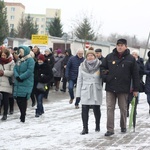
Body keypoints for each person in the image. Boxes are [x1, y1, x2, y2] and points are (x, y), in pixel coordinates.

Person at [100, 39, 140, 136]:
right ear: (116, 46)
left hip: (123, 88)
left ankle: (123, 126)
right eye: (118, 45)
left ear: (126, 46)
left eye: (122, 45)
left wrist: (136, 89)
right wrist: (107, 77)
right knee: (110, 108)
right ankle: (110, 129)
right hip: (110, 87)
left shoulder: (131, 59)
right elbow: (102, 69)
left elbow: (135, 75)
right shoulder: (109, 57)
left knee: (123, 108)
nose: (120, 47)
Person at [76, 50, 102, 135]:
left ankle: (97, 125)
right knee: (84, 108)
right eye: (88, 55)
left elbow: (103, 78)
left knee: (96, 109)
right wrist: (78, 94)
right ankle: (85, 128)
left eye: (92, 55)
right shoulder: (82, 66)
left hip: (96, 89)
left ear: (95, 56)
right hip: (85, 89)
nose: (90, 57)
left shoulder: (100, 65)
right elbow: (79, 80)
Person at [13, 46, 35, 123]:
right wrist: (16, 76)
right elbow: (15, 68)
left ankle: (23, 115)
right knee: (18, 99)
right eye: (20, 51)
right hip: (18, 81)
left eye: (22, 51)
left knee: (23, 99)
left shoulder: (30, 60)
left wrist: (21, 77)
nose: (20, 53)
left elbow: (29, 71)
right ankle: (22, 112)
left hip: (26, 82)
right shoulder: (19, 60)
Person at [127, 49, 144, 117]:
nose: (134, 55)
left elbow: (142, 71)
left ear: (137, 55)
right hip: (129, 81)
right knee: (127, 97)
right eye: (133, 54)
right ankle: (127, 110)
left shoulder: (140, 62)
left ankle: (134, 110)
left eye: (135, 54)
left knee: (135, 97)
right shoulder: (129, 61)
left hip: (136, 81)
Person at [0, 49, 15, 120]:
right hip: (0, 82)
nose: (3, 56)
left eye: (4, 55)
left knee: (5, 100)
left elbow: (12, 72)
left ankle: (5, 114)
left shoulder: (11, 62)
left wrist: (3, 72)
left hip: (7, 83)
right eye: (2, 55)